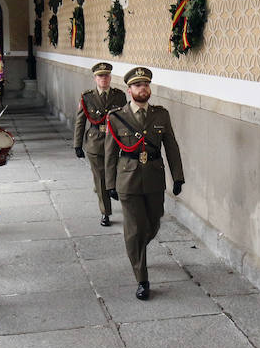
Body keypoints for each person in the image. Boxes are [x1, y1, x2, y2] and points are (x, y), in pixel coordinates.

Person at [104, 67, 184, 300]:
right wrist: (110, 183)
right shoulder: (117, 117)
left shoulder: (161, 115)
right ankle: (142, 278)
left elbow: (171, 146)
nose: (143, 89)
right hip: (127, 180)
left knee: (153, 222)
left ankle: (138, 248)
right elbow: (110, 154)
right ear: (129, 90)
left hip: (154, 179)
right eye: (138, 86)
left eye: (146, 85)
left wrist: (178, 176)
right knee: (135, 230)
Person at [74, 62, 127, 226]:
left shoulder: (119, 96)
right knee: (101, 178)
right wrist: (77, 144)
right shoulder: (87, 96)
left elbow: (126, 120)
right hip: (95, 141)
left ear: (110, 77)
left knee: (116, 173)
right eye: (100, 76)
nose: (103, 79)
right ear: (95, 78)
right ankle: (105, 212)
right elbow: (80, 121)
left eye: (106, 75)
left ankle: (108, 189)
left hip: (116, 142)